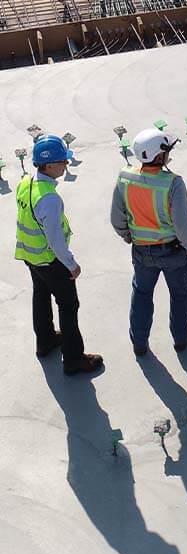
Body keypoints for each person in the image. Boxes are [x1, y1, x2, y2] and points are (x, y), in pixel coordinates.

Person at [15, 135, 103, 375]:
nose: (67, 164)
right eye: (63, 161)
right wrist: (71, 264)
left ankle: (45, 342)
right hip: (50, 260)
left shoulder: (26, 183)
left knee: (40, 296)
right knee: (68, 305)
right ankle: (74, 359)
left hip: (29, 255)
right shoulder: (50, 199)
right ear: (50, 165)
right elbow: (55, 240)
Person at [111, 128, 187, 356]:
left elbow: (116, 217)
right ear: (159, 156)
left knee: (141, 294)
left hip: (141, 251)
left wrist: (127, 235)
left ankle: (139, 342)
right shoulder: (173, 183)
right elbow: (182, 224)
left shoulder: (125, 177)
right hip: (173, 251)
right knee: (180, 295)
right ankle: (181, 339)